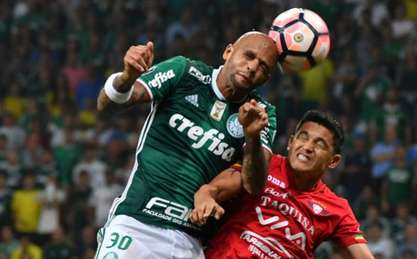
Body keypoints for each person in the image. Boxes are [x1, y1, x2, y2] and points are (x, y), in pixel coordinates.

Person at [94, 31, 279, 259]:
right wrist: (126, 77)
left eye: (263, 67)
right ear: (228, 52)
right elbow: (107, 105)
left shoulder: (262, 113)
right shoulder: (185, 72)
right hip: (137, 224)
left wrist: (251, 136)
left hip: (190, 243)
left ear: (266, 79)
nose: (252, 67)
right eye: (248, 56)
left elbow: (254, 184)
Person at [191, 110, 375, 259]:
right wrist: (206, 196)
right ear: (290, 142)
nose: (308, 147)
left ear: (333, 161)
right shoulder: (262, 165)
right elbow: (214, 189)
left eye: (319, 144)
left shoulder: (337, 209)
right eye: (303, 137)